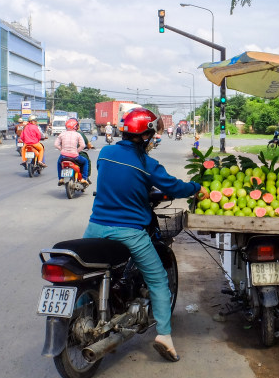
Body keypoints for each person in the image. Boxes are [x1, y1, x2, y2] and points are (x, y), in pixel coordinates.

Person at [84, 107, 208, 362]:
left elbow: (117, 181)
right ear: (146, 136)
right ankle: (164, 335)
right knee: (158, 280)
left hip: (95, 227)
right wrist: (196, 188)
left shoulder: (106, 153)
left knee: (88, 276)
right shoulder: (147, 164)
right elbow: (174, 186)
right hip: (130, 232)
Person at [55, 118, 90, 186]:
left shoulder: (62, 134)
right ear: (75, 126)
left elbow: (56, 144)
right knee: (85, 161)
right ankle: (84, 178)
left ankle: (61, 178)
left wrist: (62, 150)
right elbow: (82, 145)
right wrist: (76, 151)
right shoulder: (78, 134)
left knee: (59, 163)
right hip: (74, 157)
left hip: (63, 156)